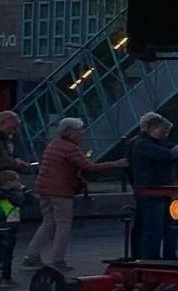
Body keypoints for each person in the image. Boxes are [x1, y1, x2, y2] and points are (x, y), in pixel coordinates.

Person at [24, 117, 125, 274]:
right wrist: (114, 164)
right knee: (63, 224)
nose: (82, 133)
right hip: (60, 191)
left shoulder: (54, 144)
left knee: (48, 222)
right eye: (79, 130)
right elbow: (88, 167)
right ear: (69, 131)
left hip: (44, 189)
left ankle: (31, 255)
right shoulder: (70, 148)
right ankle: (58, 259)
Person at [126, 112, 178, 260]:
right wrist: (176, 151)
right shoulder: (143, 144)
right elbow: (165, 154)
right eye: (163, 131)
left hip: (155, 189)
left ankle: (161, 256)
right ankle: (151, 257)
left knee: (162, 225)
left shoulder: (148, 142)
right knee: (154, 227)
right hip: (151, 190)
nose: (165, 135)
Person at [0, 169, 33, 286]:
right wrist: (24, 189)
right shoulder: (12, 194)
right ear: (9, 182)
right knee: (7, 253)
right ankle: (6, 278)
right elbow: (28, 201)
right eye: (16, 181)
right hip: (9, 225)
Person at [0, 111, 31, 177]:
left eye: (16, 128)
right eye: (11, 128)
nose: (14, 131)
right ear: (0, 124)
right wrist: (15, 163)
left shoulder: (1, 136)